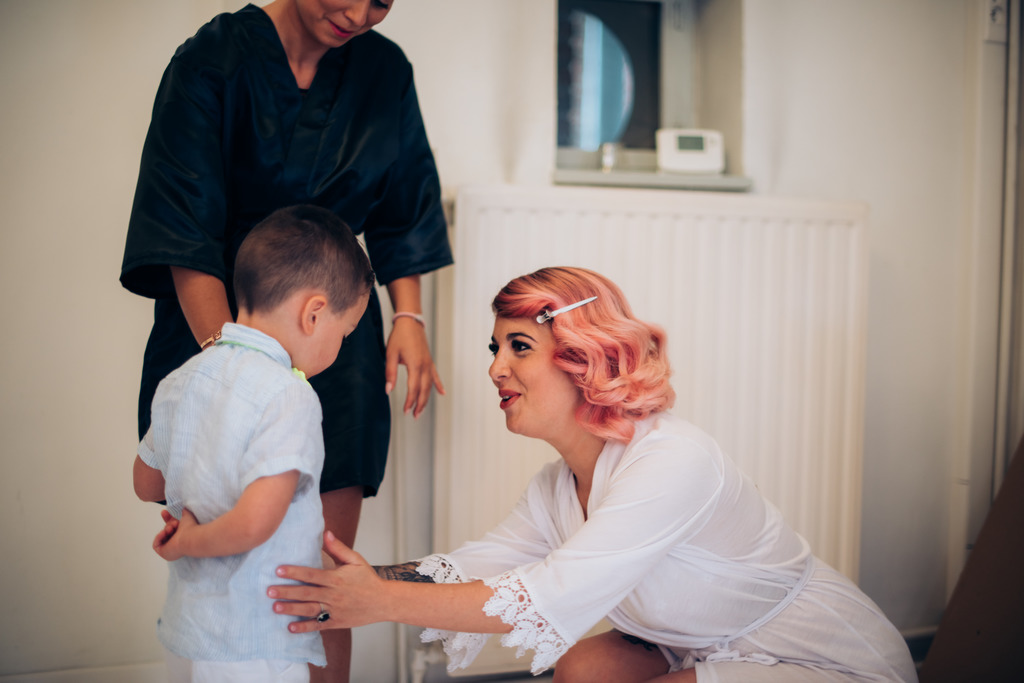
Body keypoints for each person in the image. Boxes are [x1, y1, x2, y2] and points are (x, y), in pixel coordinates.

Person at [266, 266, 919, 682]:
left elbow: (547, 594)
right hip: (700, 648)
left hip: (820, 657)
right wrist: (354, 582)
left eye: (519, 346)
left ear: (582, 357)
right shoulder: (556, 487)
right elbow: (472, 567)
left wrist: (377, 601)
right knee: (583, 669)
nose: (495, 368)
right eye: (495, 347)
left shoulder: (673, 460)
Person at [120, 2, 452, 679]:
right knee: (233, 561)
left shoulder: (384, 71)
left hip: (333, 333)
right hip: (213, 321)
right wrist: (230, 367)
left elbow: (405, 201)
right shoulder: (210, 62)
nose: (359, 14)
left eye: (382, 0)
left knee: (323, 579)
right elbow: (183, 228)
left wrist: (409, 319)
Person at [133, 205, 374, 683]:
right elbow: (255, 522)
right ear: (314, 313)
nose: (340, 347)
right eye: (345, 333)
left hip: (188, 629)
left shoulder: (181, 380)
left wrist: (191, 507)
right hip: (257, 635)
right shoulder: (289, 394)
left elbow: (146, 484)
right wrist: (190, 542)